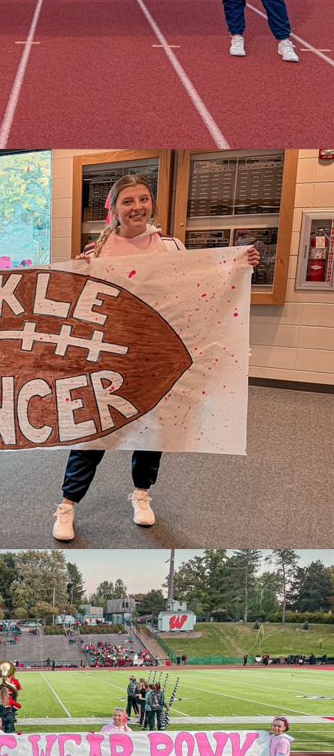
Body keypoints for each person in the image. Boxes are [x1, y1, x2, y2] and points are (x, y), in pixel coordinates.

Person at [53, 174, 261, 541]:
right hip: (108, 357)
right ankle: (68, 503)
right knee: (94, 431)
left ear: (152, 203)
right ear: (114, 209)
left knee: (153, 430)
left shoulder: (171, 247)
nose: (137, 207)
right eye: (128, 201)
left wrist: (239, 264)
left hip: (155, 357)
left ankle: (142, 493)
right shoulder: (97, 252)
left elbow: (202, 283)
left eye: (143, 199)